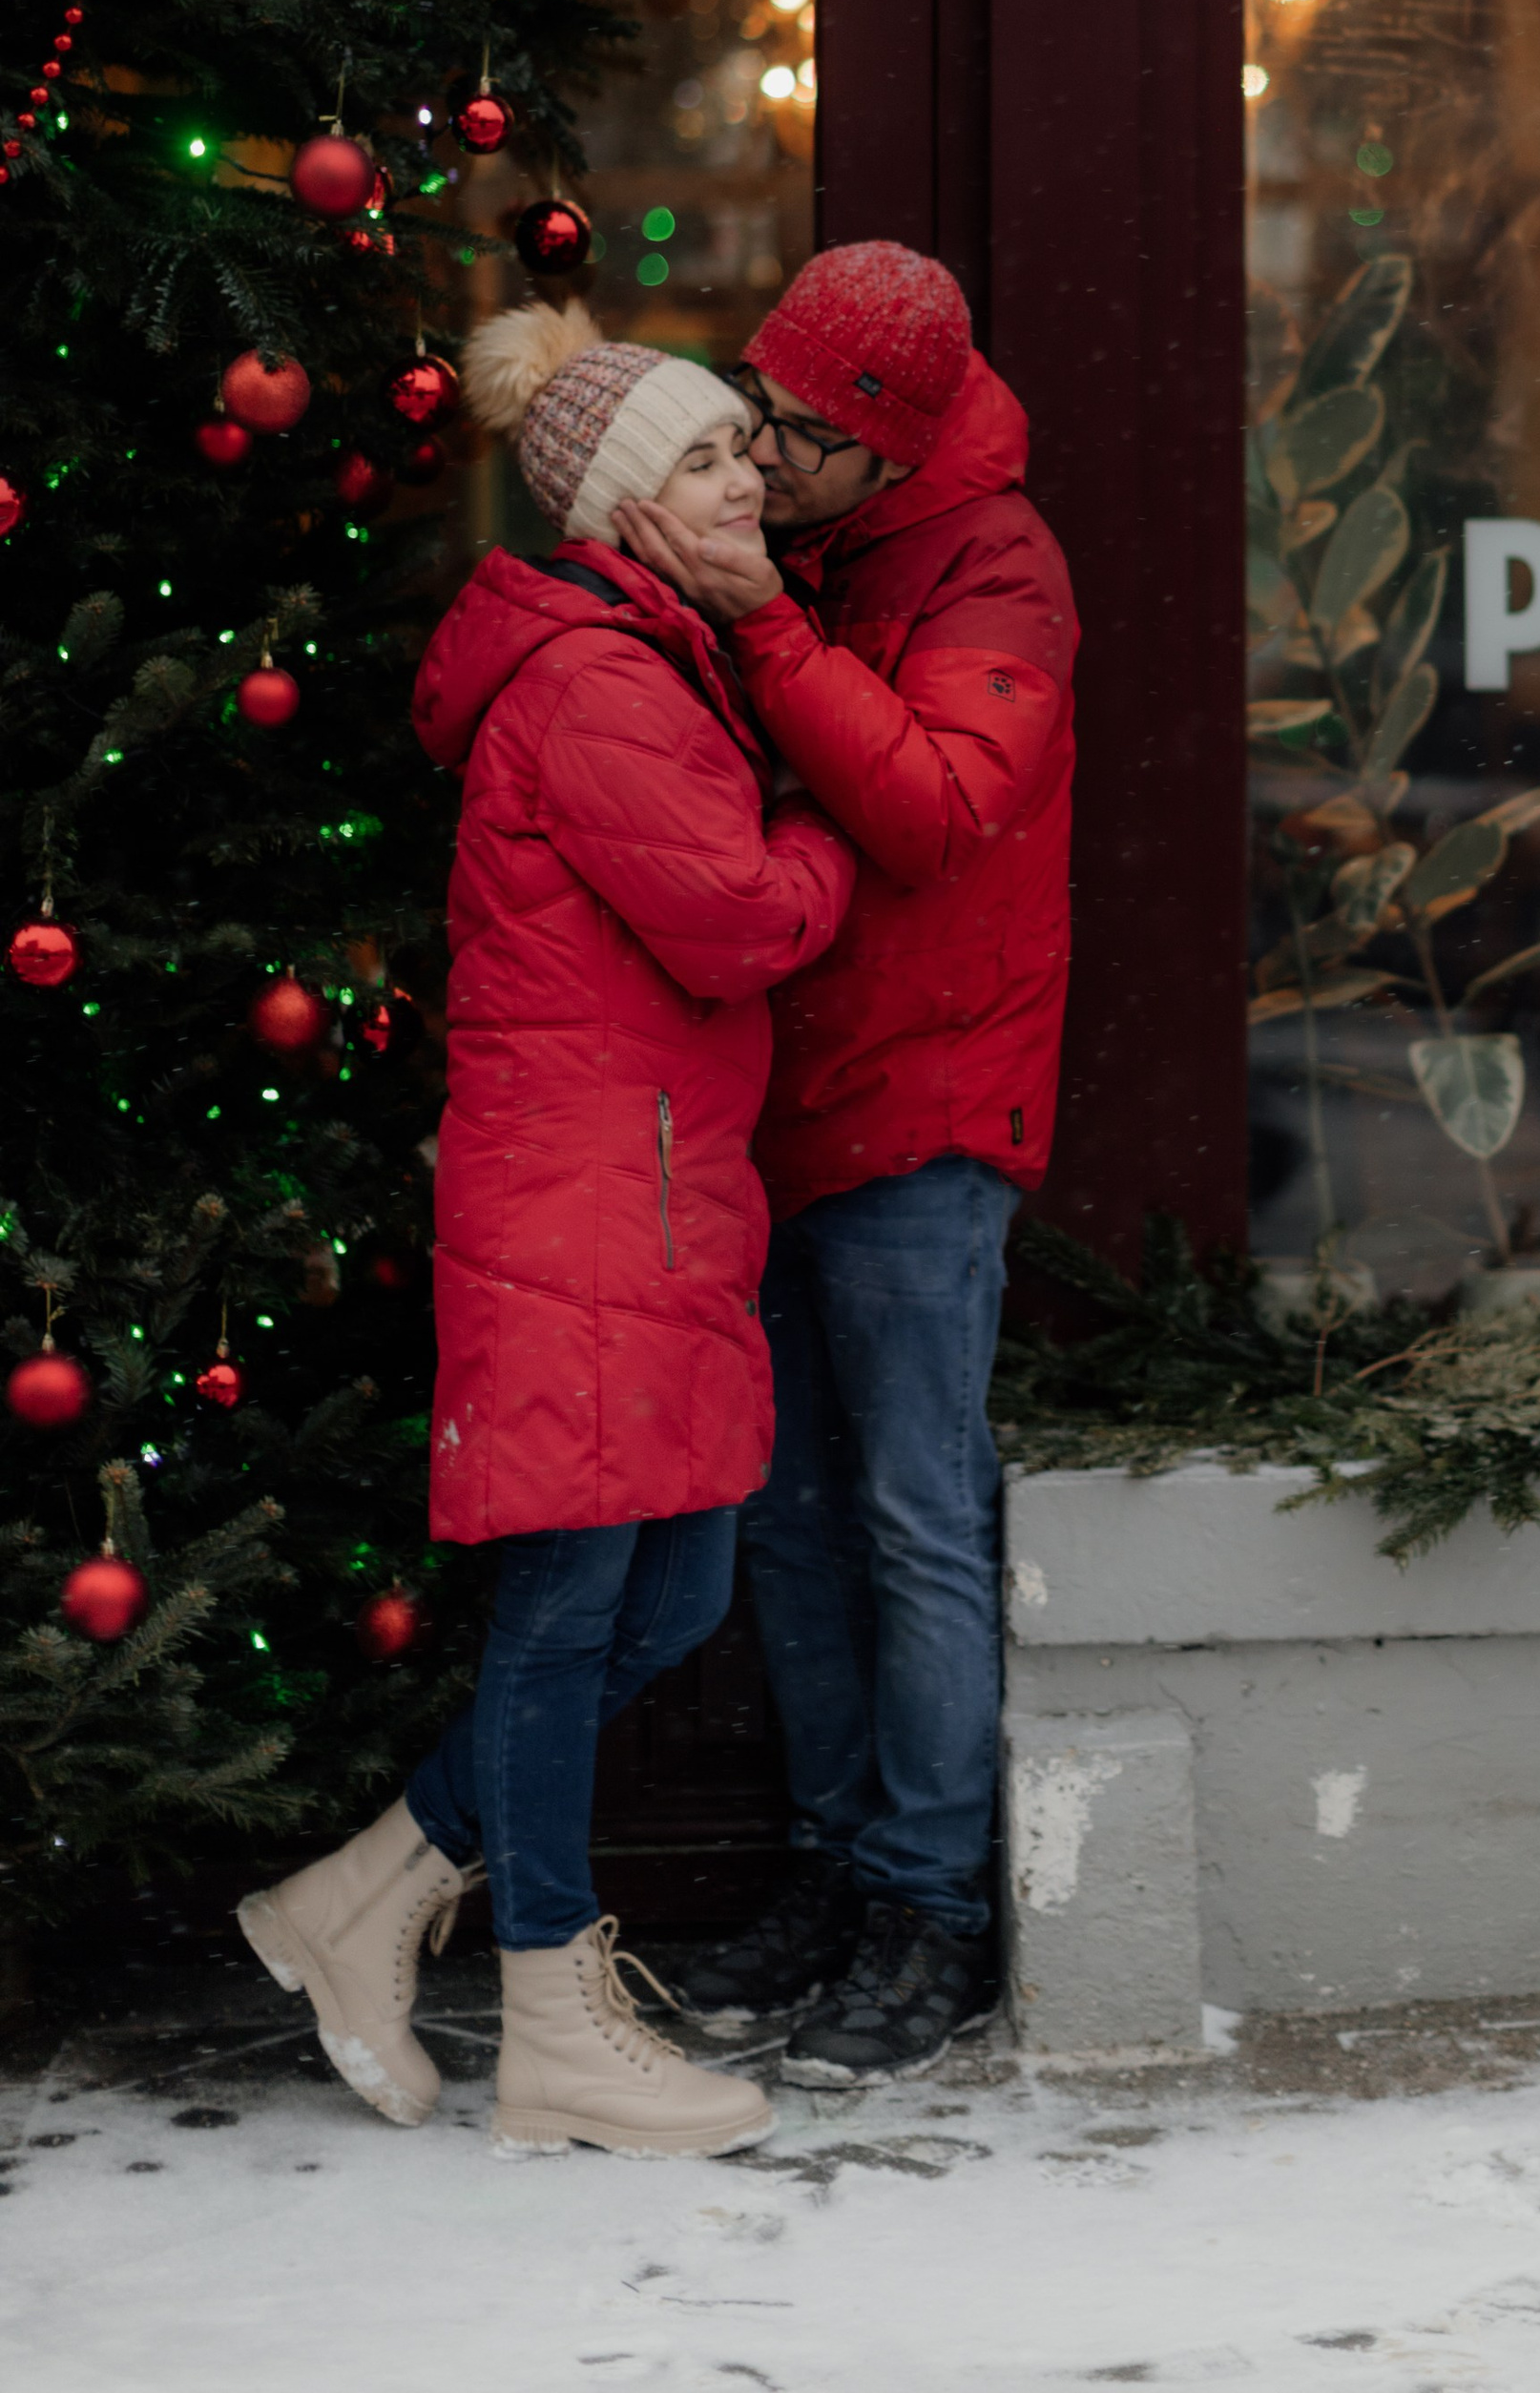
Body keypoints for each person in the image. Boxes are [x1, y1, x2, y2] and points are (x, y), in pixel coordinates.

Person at [239, 302, 855, 2159]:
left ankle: (360, 1894)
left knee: (664, 1591)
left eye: (743, 446)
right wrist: (837, 826)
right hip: (591, 1192)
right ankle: (550, 2016)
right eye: (700, 455)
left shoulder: (647, 655)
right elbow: (741, 920)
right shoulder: (599, 681)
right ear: (613, 509)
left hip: (638, 1185)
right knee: (581, 1601)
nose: (745, 471)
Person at [614, 242, 1077, 2087]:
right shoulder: (801, 539)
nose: (766, 455)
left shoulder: (1000, 568)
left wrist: (764, 624)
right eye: (758, 410)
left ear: (888, 445)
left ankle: (928, 1910)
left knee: (910, 1517)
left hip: (931, 1105)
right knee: (788, 1524)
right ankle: (827, 1868)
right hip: (777, 1096)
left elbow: (941, 806)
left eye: (804, 435)